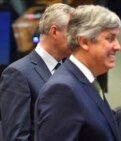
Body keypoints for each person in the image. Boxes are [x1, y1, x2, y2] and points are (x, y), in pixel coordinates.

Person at [35, 5, 121, 141]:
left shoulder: (87, 82)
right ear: (84, 42)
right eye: (110, 38)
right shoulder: (62, 90)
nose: (118, 46)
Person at [0, 3, 74, 141]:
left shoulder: (70, 70)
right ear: (54, 31)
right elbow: (16, 138)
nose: (77, 39)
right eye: (73, 32)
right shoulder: (17, 73)